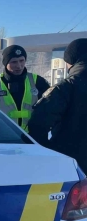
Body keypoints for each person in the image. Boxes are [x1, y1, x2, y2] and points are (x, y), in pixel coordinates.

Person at [28, 38, 87, 171]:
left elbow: (37, 124)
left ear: (70, 61)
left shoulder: (66, 87)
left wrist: (51, 153)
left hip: (72, 166)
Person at [0, 45, 50, 132]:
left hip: (32, 138)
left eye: (22, 60)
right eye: (14, 62)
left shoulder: (38, 82)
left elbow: (53, 108)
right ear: (5, 63)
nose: (19, 66)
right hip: (2, 137)